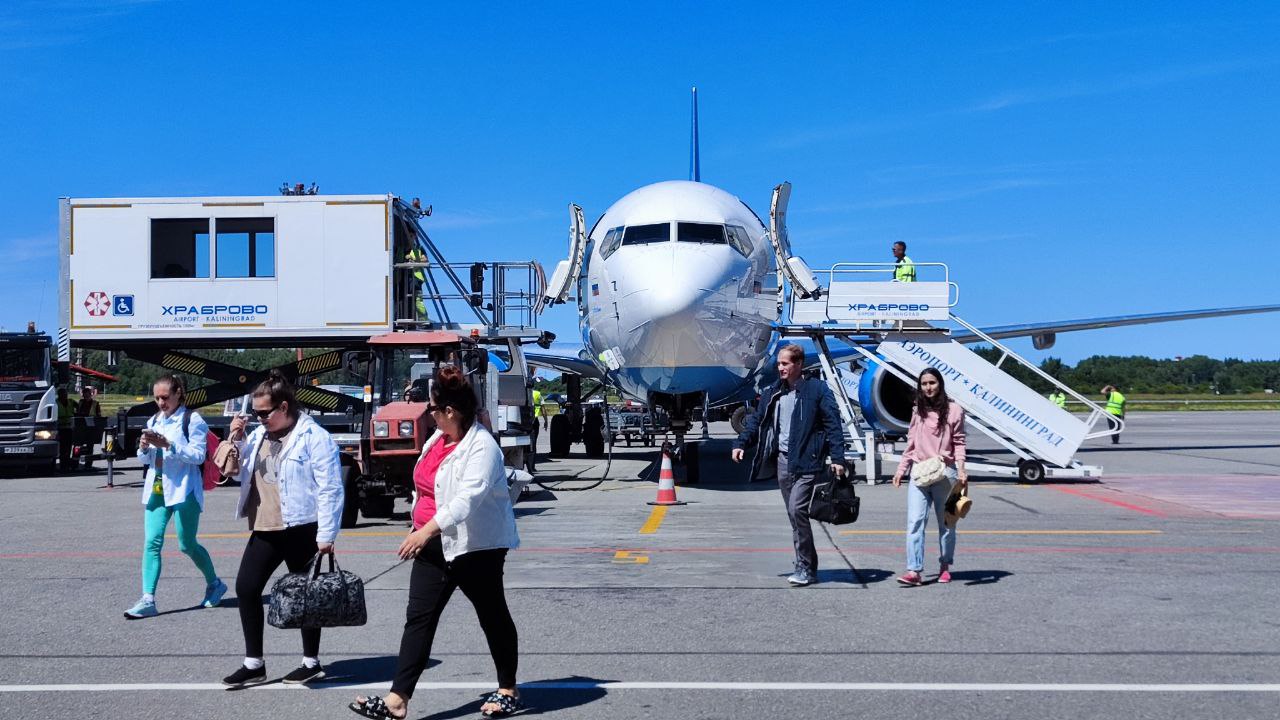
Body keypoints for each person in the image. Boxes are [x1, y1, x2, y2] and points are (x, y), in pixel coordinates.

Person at [350, 365, 522, 719]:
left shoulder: (482, 446)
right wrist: (417, 525)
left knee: (492, 615)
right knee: (419, 619)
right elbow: (426, 488)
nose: (427, 414)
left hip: (476, 547)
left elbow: (466, 499)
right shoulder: (436, 440)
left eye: (432, 408)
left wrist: (426, 530)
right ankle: (398, 700)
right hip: (432, 545)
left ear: (450, 412)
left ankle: (507, 687)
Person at [222, 370, 345, 688]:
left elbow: (330, 487)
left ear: (285, 407)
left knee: (306, 595)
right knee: (246, 588)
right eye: (256, 412)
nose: (259, 418)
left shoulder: (313, 437)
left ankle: (311, 662)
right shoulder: (258, 435)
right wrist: (235, 438)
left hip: (301, 526)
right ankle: (254, 663)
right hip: (265, 525)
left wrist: (327, 535)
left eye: (264, 412)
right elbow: (238, 476)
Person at [731, 345, 847, 587]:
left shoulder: (817, 390)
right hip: (783, 461)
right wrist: (741, 442)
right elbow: (756, 422)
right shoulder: (773, 391)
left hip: (807, 462)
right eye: (779, 364)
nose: (780, 367)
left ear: (799, 364)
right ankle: (808, 566)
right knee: (796, 517)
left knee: (797, 511)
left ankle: (804, 566)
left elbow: (833, 424)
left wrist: (837, 458)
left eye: (785, 363)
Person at [123, 375, 226, 619]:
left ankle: (215, 584)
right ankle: (148, 599)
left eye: (165, 397)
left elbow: (199, 456)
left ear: (179, 393)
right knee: (152, 543)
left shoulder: (193, 420)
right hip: (156, 489)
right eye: (157, 397)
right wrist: (144, 448)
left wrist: (169, 445)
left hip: (183, 490)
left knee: (186, 544)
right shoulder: (154, 420)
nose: (160, 402)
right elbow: (145, 461)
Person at [893, 367, 968, 586]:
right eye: (924, 384)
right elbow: (911, 444)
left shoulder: (955, 410)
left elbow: (960, 443)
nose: (928, 387)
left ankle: (945, 565)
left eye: (932, 383)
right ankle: (913, 570)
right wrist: (901, 470)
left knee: (947, 523)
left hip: (947, 473)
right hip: (919, 472)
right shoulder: (918, 410)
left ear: (940, 384)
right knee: (915, 522)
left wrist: (962, 469)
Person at [75, 386, 104, 469]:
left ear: (90, 395)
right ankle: (75, 463)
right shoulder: (80, 402)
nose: (86, 397)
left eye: (87, 395)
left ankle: (88, 464)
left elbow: (99, 415)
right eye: (85, 395)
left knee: (90, 447)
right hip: (81, 426)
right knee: (77, 446)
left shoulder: (95, 403)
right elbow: (77, 413)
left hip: (91, 428)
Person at [56, 387, 77, 471]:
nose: (65, 396)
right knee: (62, 448)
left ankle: (67, 464)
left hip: (69, 428)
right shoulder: (55, 403)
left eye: (66, 394)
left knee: (68, 447)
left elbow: (80, 406)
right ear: (59, 395)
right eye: (63, 394)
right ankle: (62, 465)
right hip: (59, 428)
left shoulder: (71, 402)